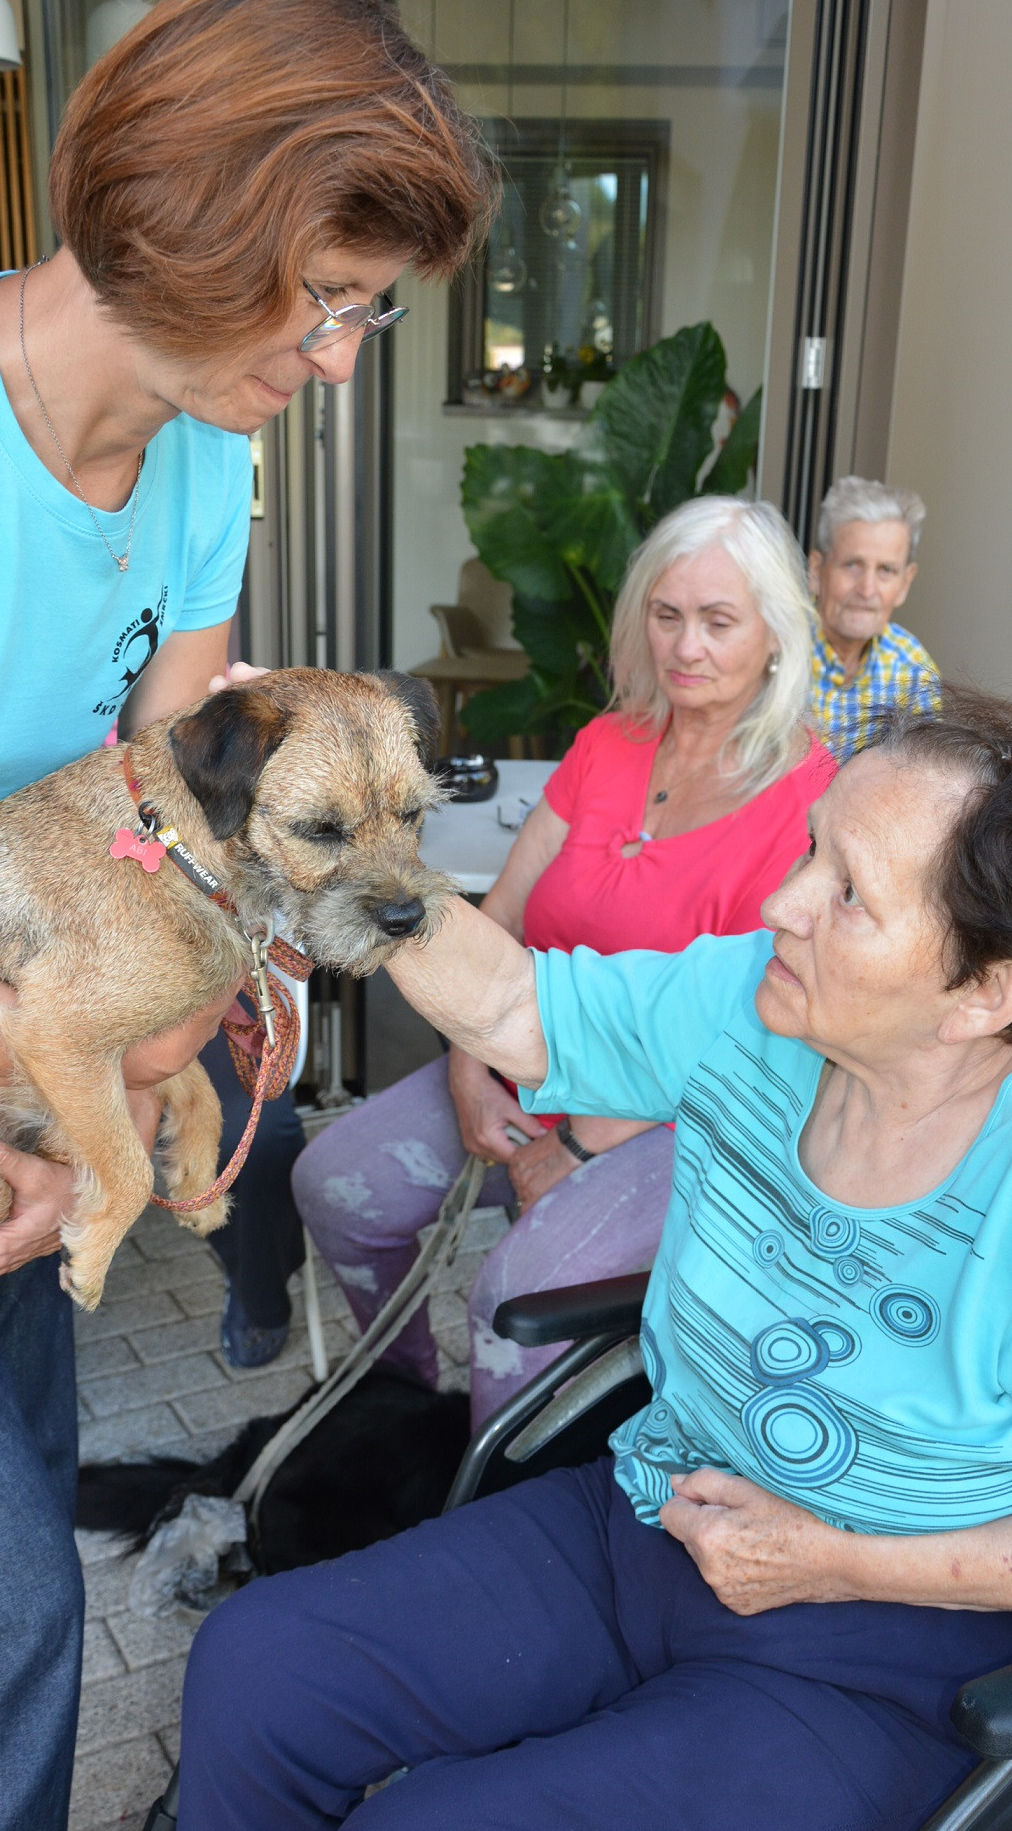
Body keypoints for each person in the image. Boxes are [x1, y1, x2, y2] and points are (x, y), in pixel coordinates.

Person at [155, 689, 1012, 1831]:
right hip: (660, 1513)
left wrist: (836, 1558)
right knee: (265, 1664)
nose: (785, 904)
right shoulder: (761, 1003)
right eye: (811, 850)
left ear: (986, 991)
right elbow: (517, 1004)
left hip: (885, 1662)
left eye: (847, 894)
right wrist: (335, 863)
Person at [0, 0, 492, 1831]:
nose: (344, 358)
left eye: (371, 310)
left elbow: (170, 846)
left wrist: (196, 1035)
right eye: (328, 300)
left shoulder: (200, 464)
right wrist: (69, 1064)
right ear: (188, 219)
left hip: (22, 1049)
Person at [293, 496, 835, 1427]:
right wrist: (467, 1064)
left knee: (515, 1301)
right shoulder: (609, 743)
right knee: (335, 1185)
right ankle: (403, 1402)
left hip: (674, 1114)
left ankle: (505, 1499)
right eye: (667, 616)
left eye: (718, 621)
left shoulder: (811, 798)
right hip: (523, 1054)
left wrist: (578, 1143)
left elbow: (744, 1024)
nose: (686, 647)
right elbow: (498, 914)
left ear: (778, 635)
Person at [807, 474, 940, 761]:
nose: (867, 590)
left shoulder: (912, 669)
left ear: (905, 583)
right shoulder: (770, 651)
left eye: (886, 571)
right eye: (852, 565)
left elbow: (923, 781)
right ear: (817, 570)